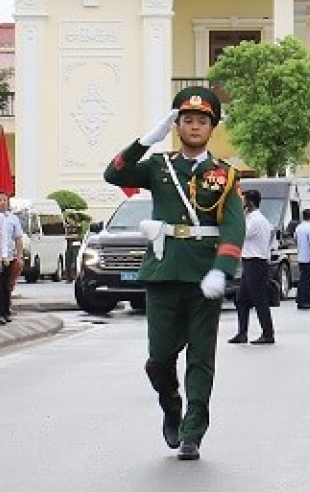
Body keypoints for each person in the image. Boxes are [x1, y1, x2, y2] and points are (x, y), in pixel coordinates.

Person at [103, 86, 246, 460]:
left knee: (201, 357)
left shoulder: (225, 175)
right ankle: (171, 404)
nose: (194, 126)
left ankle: (193, 432)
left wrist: (222, 269)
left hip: (203, 276)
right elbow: (112, 174)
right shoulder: (159, 166)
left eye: (202, 121)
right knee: (160, 359)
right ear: (177, 125)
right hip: (164, 272)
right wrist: (145, 140)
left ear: (212, 128)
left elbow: (234, 228)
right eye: (187, 120)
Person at [230, 190, 276, 345]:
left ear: (250, 202)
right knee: (241, 299)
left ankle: (268, 333)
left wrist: (238, 217)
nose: (241, 203)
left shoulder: (256, 220)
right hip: (249, 262)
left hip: (256, 262)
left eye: (243, 200)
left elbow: (241, 234)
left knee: (259, 299)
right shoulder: (252, 218)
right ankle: (242, 333)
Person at [0, 192, 25, 324]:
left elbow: (18, 238)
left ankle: (5, 311)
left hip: (9, 257)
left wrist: (19, 256)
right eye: (0, 200)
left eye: (5, 200)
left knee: (6, 286)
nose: (3, 202)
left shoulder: (13, 219)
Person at [293, 208, 310, 309]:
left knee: (303, 279)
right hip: (308, 257)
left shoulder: (298, 228)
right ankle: (303, 300)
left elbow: (295, 239)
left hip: (301, 256)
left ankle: (307, 300)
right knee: (306, 280)